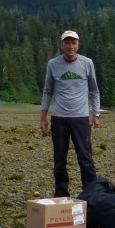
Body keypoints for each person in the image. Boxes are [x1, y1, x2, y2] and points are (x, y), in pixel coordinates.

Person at [40, 29, 101, 197]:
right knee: (59, 160)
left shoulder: (87, 63)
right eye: (67, 42)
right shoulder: (53, 64)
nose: (70, 46)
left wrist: (96, 114)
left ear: (78, 44)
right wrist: (43, 118)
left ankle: (91, 195)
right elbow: (47, 91)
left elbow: (94, 90)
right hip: (59, 118)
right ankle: (61, 195)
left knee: (85, 158)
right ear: (62, 45)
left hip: (81, 118)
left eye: (73, 43)